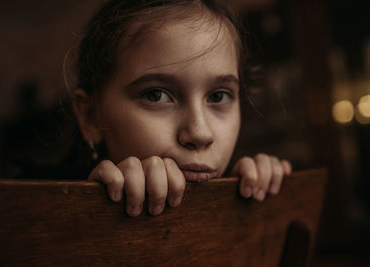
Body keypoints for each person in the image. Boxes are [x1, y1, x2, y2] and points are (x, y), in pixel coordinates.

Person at [71, 0, 292, 217]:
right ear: (91, 117)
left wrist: (261, 194)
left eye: (218, 96)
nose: (200, 133)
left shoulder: (250, 184)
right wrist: (89, 212)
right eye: (156, 96)